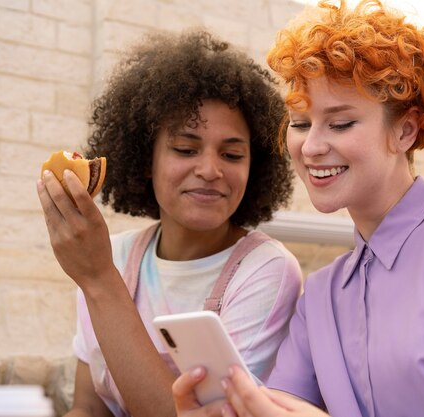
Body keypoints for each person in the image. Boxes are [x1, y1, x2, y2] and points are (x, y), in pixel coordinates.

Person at [172, 1, 424, 416]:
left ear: (404, 130)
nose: (311, 148)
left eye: (341, 123)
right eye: (301, 123)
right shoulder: (321, 297)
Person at [37, 29, 303, 417]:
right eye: (185, 149)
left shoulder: (266, 271)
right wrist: (98, 274)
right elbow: (90, 407)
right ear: (146, 159)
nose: (210, 170)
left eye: (231, 154)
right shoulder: (116, 255)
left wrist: (98, 279)